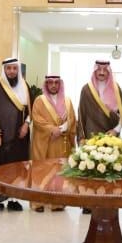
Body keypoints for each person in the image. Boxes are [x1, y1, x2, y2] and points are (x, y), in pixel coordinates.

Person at [0, 57, 34, 211]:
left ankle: (14, 199)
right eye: (9, 68)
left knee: (17, 168)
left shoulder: (25, 86)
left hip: (19, 136)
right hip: (1, 136)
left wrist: (26, 124)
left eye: (15, 68)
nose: (12, 72)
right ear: (4, 69)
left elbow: (31, 109)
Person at [30, 74, 77, 212]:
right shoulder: (40, 100)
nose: (53, 85)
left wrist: (63, 128)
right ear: (46, 84)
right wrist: (52, 129)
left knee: (60, 172)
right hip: (45, 143)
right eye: (50, 82)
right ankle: (38, 202)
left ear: (60, 84)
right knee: (42, 170)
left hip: (61, 143)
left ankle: (58, 202)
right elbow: (37, 119)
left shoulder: (67, 101)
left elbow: (72, 119)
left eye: (56, 83)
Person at [78, 59, 122, 139]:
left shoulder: (116, 88)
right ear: (95, 71)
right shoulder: (86, 89)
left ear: (109, 72)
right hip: (92, 135)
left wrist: (116, 130)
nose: (102, 72)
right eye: (99, 69)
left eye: (105, 70)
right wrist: (81, 137)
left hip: (112, 135)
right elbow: (81, 114)